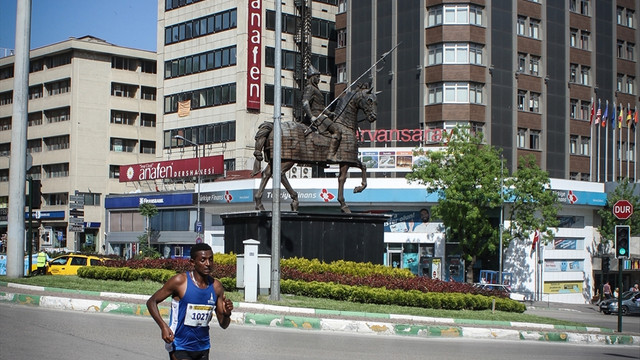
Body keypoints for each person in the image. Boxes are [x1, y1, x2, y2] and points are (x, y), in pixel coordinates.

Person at [147, 243, 233, 360]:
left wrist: (227, 314)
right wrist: (163, 327)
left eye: (210, 259)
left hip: (203, 346)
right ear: (193, 262)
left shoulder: (216, 287)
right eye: (203, 260)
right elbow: (151, 302)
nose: (208, 264)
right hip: (179, 344)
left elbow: (223, 325)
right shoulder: (180, 281)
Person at [302, 65, 341, 162]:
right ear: (312, 77)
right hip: (317, 116)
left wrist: (329, 113)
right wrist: (311, 116)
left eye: (319, 77)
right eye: (317, 77)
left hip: (321, 115)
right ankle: (331, 155)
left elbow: (321, 107)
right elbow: (305, 102)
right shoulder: (310, 88)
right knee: (337, 130)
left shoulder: (316, 89)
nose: (319, 79)